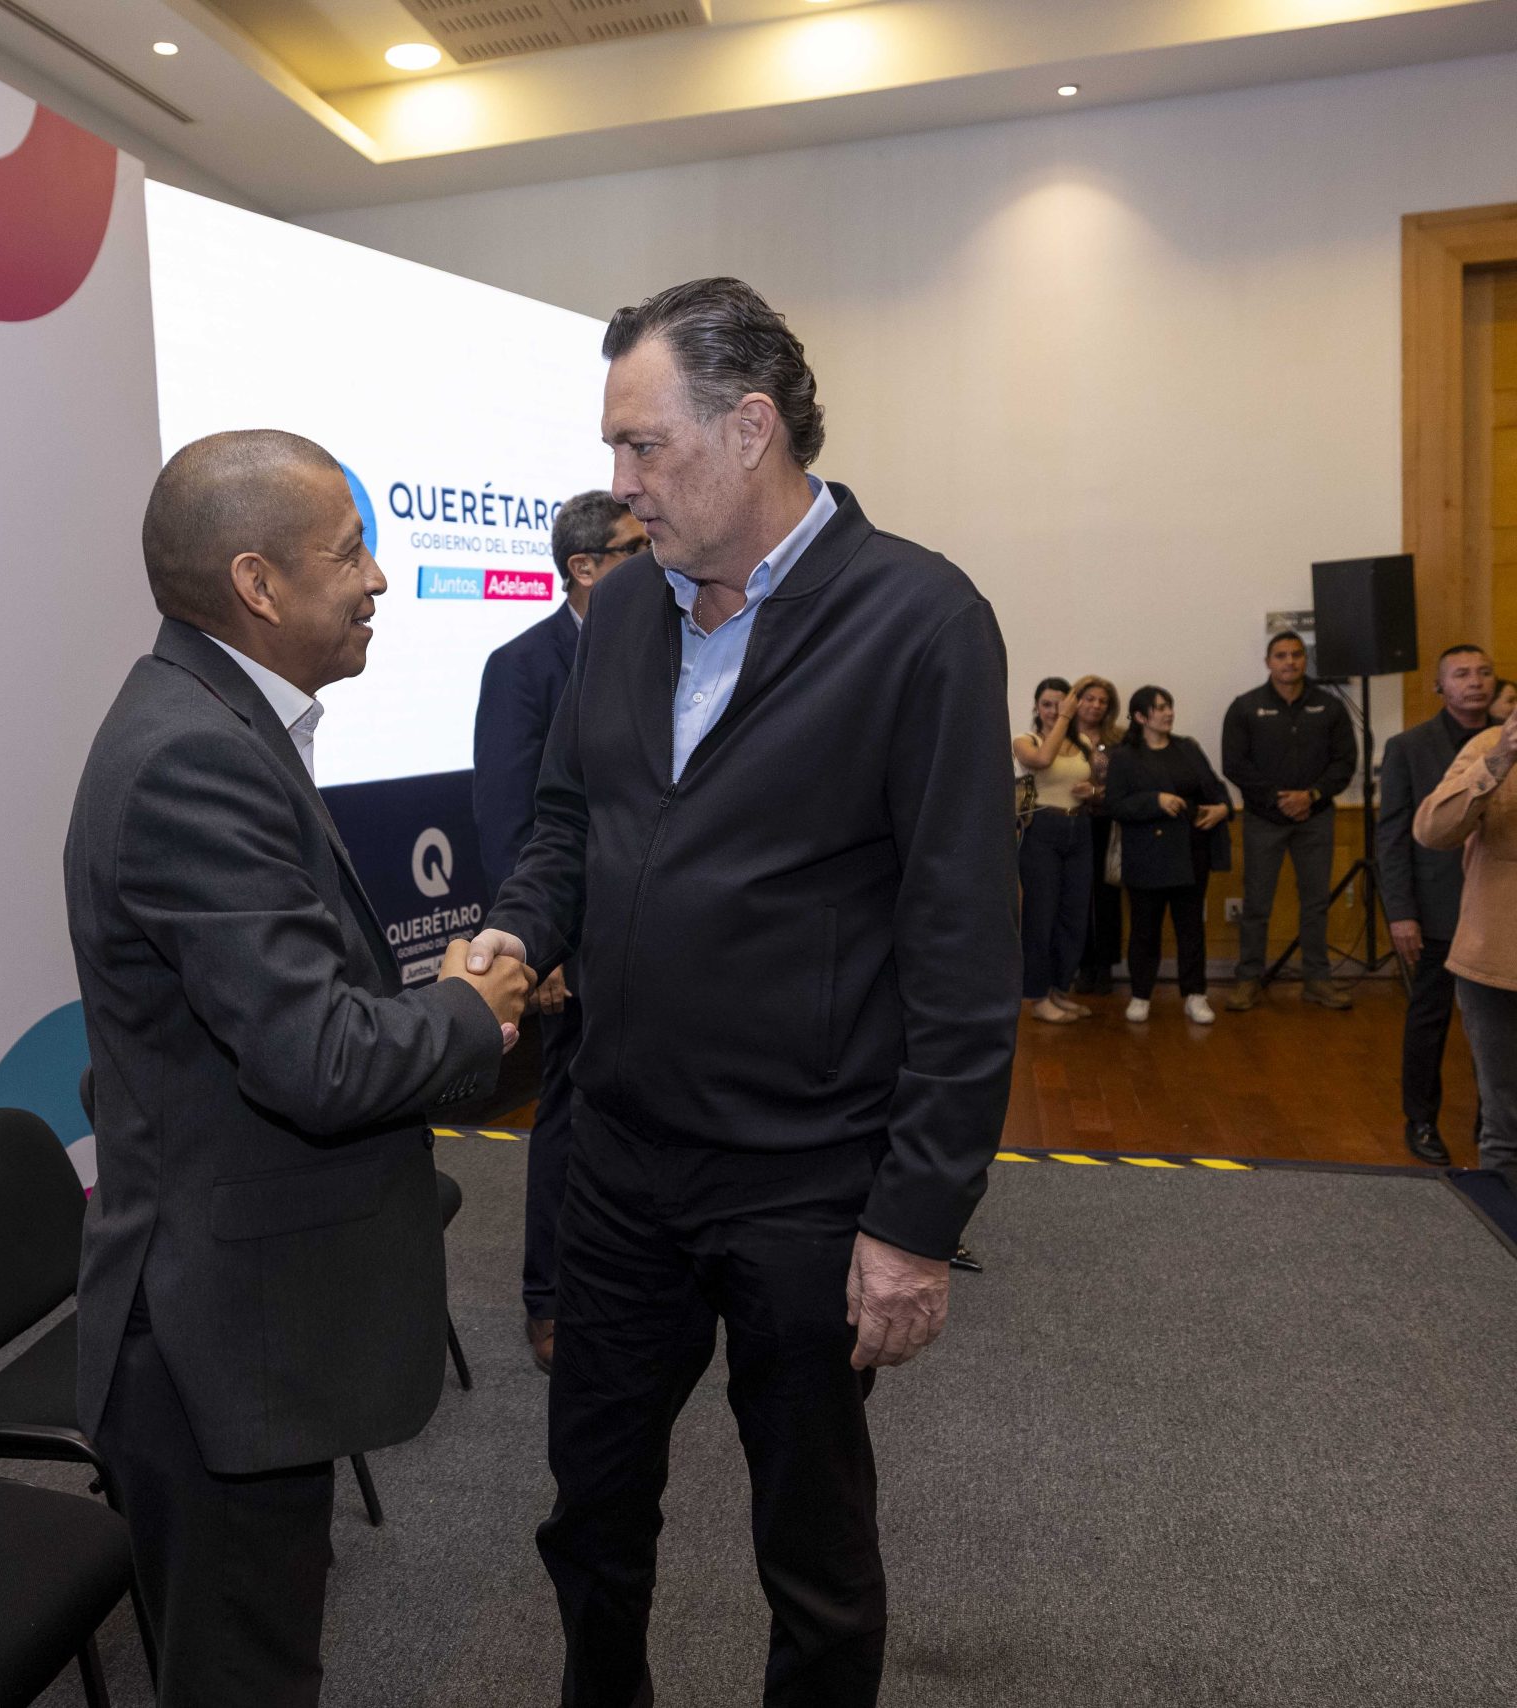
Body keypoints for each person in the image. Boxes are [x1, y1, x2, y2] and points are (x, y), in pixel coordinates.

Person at [461, 278, 1017, 1708]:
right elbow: (569, 825)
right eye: (614, 446)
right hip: (619, 1161)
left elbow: (963, 945)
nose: (619, 482)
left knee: (812, 1552)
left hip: (806, 1178)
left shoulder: (920, 620)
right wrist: (516, 934)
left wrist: (915, 1220)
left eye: (643, 445)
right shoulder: (623, 616)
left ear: (752, 426)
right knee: (590, 1515)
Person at [66, 429, 532, 1706]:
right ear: (257, 584)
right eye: (349, 552)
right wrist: (470, 1009)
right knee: (243, 1673)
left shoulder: (214, 722)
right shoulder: (193, 756)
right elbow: (316, 1056)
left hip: (248, 1316)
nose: (377, 579)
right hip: (218, 1341)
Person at [473, 489, 648, 1373]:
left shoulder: (653, 644)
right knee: (567, 1119)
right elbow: (513, 816)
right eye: (632, 548)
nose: (651, 557)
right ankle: (548, 1298)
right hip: (565, 946)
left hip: (642, 947)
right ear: (584, 568)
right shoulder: (523, 664)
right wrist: (539, 950)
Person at [1378, 645, 1501, 1164]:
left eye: (1484, 672)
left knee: (1497, 1025)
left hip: (1497, 911)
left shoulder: (1505, 740)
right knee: (1429, 1019)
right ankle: (1422, 1120)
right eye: (1462, 674)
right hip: (1436, 908)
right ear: (1440, 687)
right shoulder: (1408, 747)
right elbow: (1392, 836)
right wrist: (1401, 912)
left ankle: (1493, 1121)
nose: (1475, 682)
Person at [1220, 631, 1357, 1010]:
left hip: (1315, 817)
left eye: (1296, 654)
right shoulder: (1245, 707)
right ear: (1268, 662)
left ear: (1305, 660)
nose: (1289, 661)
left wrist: (1310, 796)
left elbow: (1345, 762)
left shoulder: (1330, 707)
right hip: (1264, 819)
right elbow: (1234, 764)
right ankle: (1249, 979)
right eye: (1280, 655)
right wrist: (1278, 799)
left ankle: (1317, 980)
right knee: (1256, 903)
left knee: (1315, 903)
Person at [1414, 708, 1517, 1178]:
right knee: (1506, 1124)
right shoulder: (1490, 745)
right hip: (1496, 965)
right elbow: (1432, 830)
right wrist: (1500, 759)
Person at [1105, 687, 1232, 1024]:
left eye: (1169, 706)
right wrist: (1155, 801)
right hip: (1147, 854)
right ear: (1140, 716)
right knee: (1145, 929)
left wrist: (1223, 808)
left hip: (1191, 852)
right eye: (1160, 708)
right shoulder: (1125, 756)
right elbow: (1115, 805)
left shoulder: (1187, 748)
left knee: (1191, 928)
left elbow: (1214, 788)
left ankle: (1195, 995)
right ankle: (1140, 995)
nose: (1168, 713)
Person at [1012, 677, 1096, 1023]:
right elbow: (1043, 760)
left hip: (1080, 828)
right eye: (1046, 704)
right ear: (1037, 707)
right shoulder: (1025, 740)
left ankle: (1060, 990)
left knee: (1074, 915)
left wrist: (1092, 790)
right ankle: (1036, 995)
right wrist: (1065, 717)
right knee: (1041, 916)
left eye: (1059, 703)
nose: (1053, 710)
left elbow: (1095, 782)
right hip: (1041, 830)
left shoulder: (1084, 742)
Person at [1067, 674, 1127, 993]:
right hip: (1071, 824)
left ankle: (1105, 965)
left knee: (1106, 897)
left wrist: (1096, 792)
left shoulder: (1120, 741)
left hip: (1108, 824)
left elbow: (1129, 782)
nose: (1096, 705)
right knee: (1075, 896)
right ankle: (1081, 964)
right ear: (1076, 700)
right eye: (1089, 698)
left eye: (1103, 701)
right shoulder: (1060, 736)